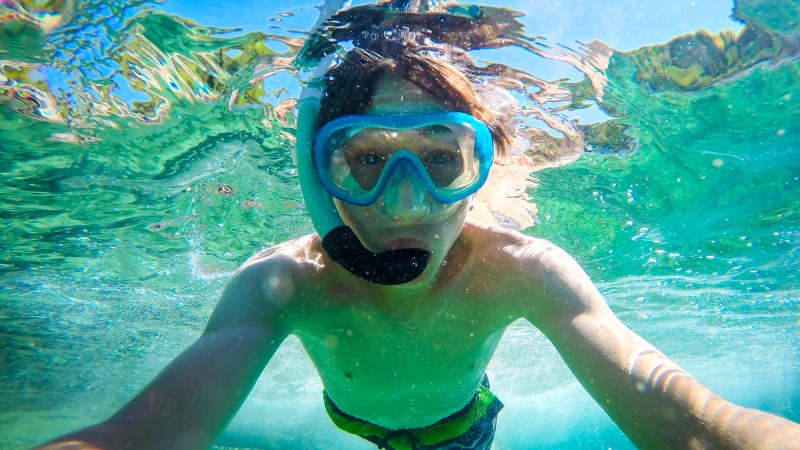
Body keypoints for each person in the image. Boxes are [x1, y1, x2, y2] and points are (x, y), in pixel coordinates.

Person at [39, 40, 800, 450]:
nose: (405, 202)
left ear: (479, 171)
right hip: (363, 428)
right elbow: (145, 435)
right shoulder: (281, 281)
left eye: (440, 160)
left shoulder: (525, 271)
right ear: (321, 178)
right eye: (367, 161)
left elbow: (691, 425)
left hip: (464, 431)